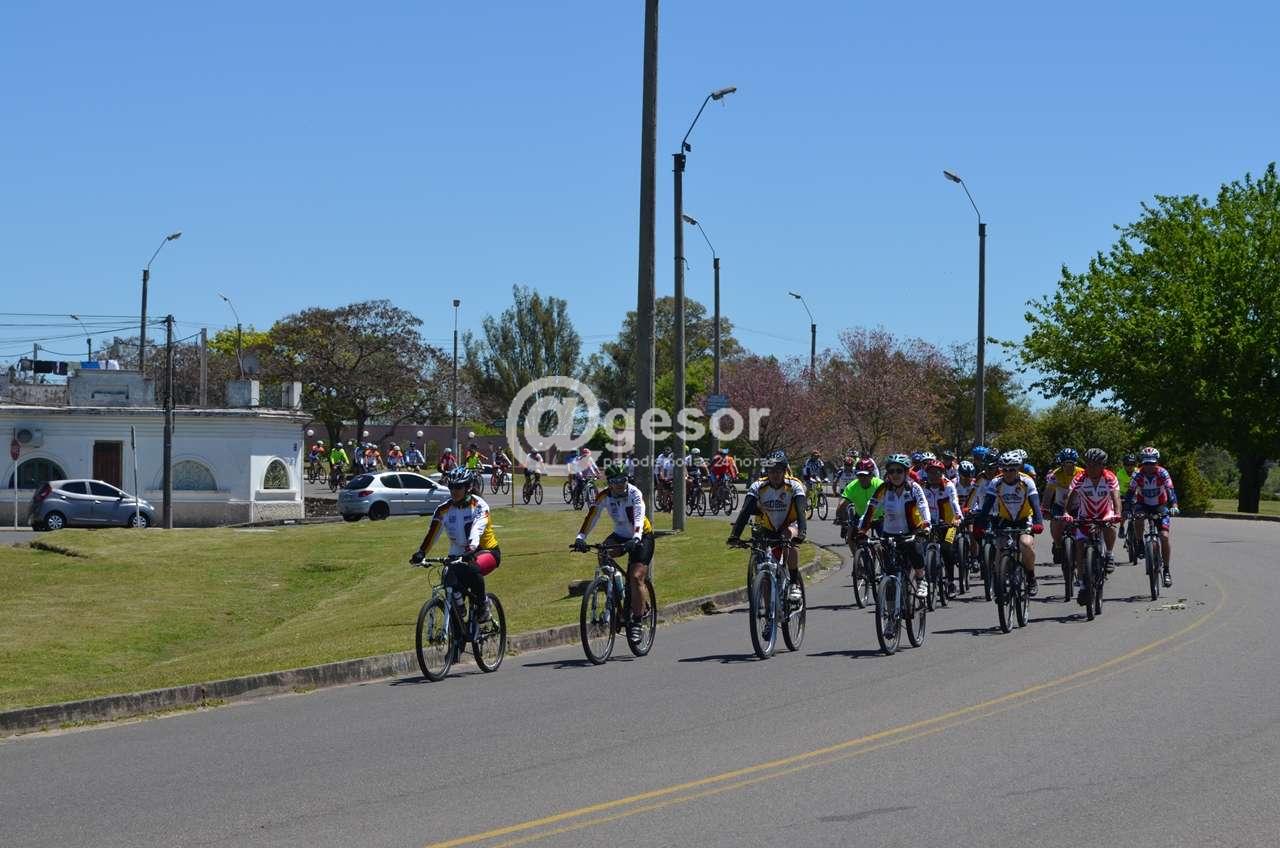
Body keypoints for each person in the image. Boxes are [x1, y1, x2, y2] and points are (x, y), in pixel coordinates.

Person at [572, 462, 655, 640]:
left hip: (642, 536)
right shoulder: (604, 496)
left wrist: (636, 537)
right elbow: (592, 516)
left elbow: (639, 516)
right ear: (609, 482)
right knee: (603, 553)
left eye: (623, 480)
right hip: (620, 535)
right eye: (615, 481)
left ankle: (637, 621)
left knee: (635, 577)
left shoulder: (634, 493)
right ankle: (617, 594)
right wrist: (580, 538)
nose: (620, 484)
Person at [410, 468, 501, 623]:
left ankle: (483, 605)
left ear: (468, 487)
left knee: (472, 569)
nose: (454, 491)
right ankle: (458, 614)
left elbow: (477, 529)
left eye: (458, 487)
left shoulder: (479, 505)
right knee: (448, 578)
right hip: (459, 553)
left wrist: (472, 548)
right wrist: (422, 552)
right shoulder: (443, 509)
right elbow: (433, 533)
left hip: (486, 551)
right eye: (451, 486)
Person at [727, 451, 808, 608]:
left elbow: (800, 510)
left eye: (778, 471)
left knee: (788, 537)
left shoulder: (794, 485)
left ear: (784, 471)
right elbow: (745, 511)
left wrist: (802, 533)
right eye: (771, 471)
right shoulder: (758, 486)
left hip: (790, 523)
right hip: (768, 527)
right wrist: (735, 535)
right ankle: (769, 611)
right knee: (764, 567)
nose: (775, 475)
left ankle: (793, 583)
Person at [857, 454, 931, 598]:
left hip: (911, 531)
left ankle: (921, 580)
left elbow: (923, 506)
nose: (895, 475)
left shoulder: (913, 488)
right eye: (891, 471)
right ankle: (890, 609)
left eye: (899, 471)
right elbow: (870, 509)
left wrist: (926, 524)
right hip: (889, 533)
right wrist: (862, 530)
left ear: (906, 472)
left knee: (915, 549)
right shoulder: (884, 488)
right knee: (889, 572)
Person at [973, 451, 1045, 597]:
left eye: (1012, 469)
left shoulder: (1027, 481)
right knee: (1000, 547)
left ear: (1018, 468)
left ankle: (1031, 576)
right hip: (1005, 519)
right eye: (1004, 469)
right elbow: (987, 505)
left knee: (1025, 544)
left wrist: (1038, 522)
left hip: (1024, 519)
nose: (1008, 473)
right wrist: (979, 525)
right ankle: (999, 578)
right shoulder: (996, 482)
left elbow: (1035, 504)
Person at [1063, 448, 1123, 604]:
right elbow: (1070, 496)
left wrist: (1117, 513)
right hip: (1085, 515)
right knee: (1079, 544)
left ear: (1102, 465)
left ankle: (1109, 554)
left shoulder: (1109, 477)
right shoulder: (1080, 477)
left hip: (1105, 513)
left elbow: (1116, 497)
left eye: (1095, 465)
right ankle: (1082, 583)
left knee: (1110, 527)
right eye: (1088, 464)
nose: (1091, 468)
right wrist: (1067, 513)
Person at [1128, 447, 1179, 587]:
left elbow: (1170, 490)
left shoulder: (1162, 473)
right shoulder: (1137, 474)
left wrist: (1174, 505)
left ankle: (1166, 570)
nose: (1149, 466)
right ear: (1142, 463)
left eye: (1152, 463)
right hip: (1143, 504)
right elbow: (1130, 492)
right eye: (1146, 463)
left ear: (1157, 462)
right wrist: (1127, 509)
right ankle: (1139, 543)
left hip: (1160, 505)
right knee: (1138, 518)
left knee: (1164, 536)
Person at [922, 458, 964, 594]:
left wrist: (957, 517)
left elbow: (954, 502)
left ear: (942, 473)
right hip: (931, 523)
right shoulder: (923, 487)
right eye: (931, 472)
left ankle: (951, 581)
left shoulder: (948, 485)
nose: (934, 476)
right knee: (922, 547)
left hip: (949, 523)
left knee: (947, 549)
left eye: (937, 472)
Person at [1043, 448, 1082, 567]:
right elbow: (1048, 493)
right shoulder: (1055, 475)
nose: (1068, 467)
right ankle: (1058, 545)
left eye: (1071, 464)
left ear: (1075, 464)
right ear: (1061, 464)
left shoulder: (1082, 473)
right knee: (1056, 523)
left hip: (1077, 506)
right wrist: (1045, 509)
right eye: (1066, 464)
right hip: (1059, 505)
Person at [840, 459, 883, 541]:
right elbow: (843, 504)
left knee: (888, 541)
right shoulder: (852, 486)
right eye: (860, 475)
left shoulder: (880, 485)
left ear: (871, 475)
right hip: (860, 517)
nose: (863, 478)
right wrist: (840, 517)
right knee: (850, 538)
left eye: (865, 475)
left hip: (879, 518)